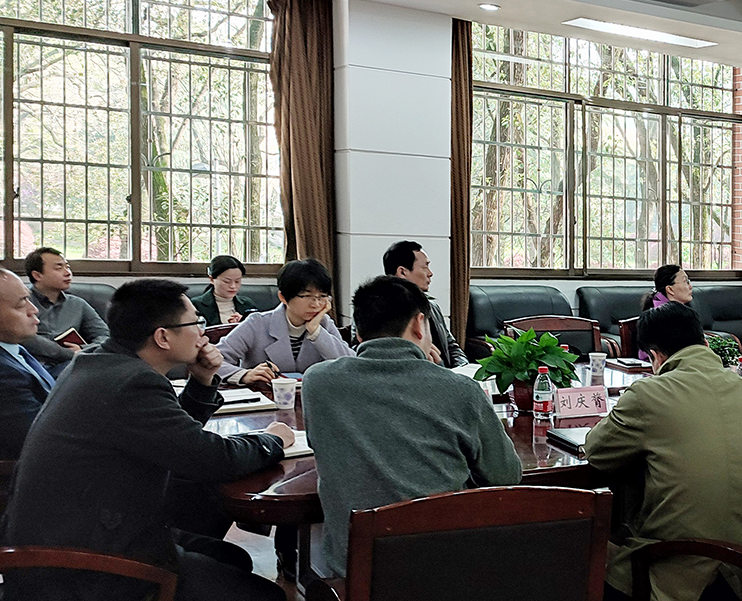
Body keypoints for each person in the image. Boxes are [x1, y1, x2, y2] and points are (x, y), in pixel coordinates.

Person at [4, 279, 295, 601]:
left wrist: (202, 381)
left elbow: (174, 441)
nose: (203, 333)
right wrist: (272, 440)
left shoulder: (99, 362)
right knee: (267, 595)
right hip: (82, 566)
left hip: (79, 533)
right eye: (196, 322)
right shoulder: (132, 383)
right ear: (162, 337)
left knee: (232, 558)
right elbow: (212, 459)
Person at [304, 276, 521, 577]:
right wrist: (439, 375)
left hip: (357, 567)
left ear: (358, 331)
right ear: (420, 324)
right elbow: (506, 476)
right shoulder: (461, 391)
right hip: (447, 568)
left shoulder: (318, 383)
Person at [586, 302, 742, 601]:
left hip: (678, 569)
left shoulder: (648, 394)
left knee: (583, 547)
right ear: (705, 342)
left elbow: (596, 452)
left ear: (655, 356)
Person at [0, 263, 54, 462]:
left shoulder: (1, 346)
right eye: (21, 304)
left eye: (28, 299)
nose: (34, 310)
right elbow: (41, 441)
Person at [217, 258, 353, 385]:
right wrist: (244, 375)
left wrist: (316, 332)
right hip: (265, 397)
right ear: (283, 297)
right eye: (307, 296)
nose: (316, 304)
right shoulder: (257, 323)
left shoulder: (323, 324)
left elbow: (350, 364)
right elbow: (215, 361)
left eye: (322, 296)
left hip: (312, 398)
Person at [20, 246, 109, 376]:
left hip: (71, 366)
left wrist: (83, 350)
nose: (67, 273)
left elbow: (105, 336)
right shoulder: (21, 302)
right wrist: (69, 353)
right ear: (37, 275)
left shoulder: (78, 304)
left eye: (67, 267)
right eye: (59, 268)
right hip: (32, 365)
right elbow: (25, 338)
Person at [381, 240, 468, 368]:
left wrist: (462, 367)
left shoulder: (432, 307)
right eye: (424, 267)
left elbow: (451, 346)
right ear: (402, 272)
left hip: (445, 374)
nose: (430, 273)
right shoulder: (376, 310)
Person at [637, 264, 694, 360]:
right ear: (670, 289)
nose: (690, 287)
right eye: (686, 282)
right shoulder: (661, 315)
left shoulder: (679, 310)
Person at [191, 255, 259, 327]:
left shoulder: (247, 304)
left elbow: (259, 330)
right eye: (227, 281)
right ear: (212, 279)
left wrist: (244, 323)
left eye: (237, 281)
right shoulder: (196, 305)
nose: (233, 286)